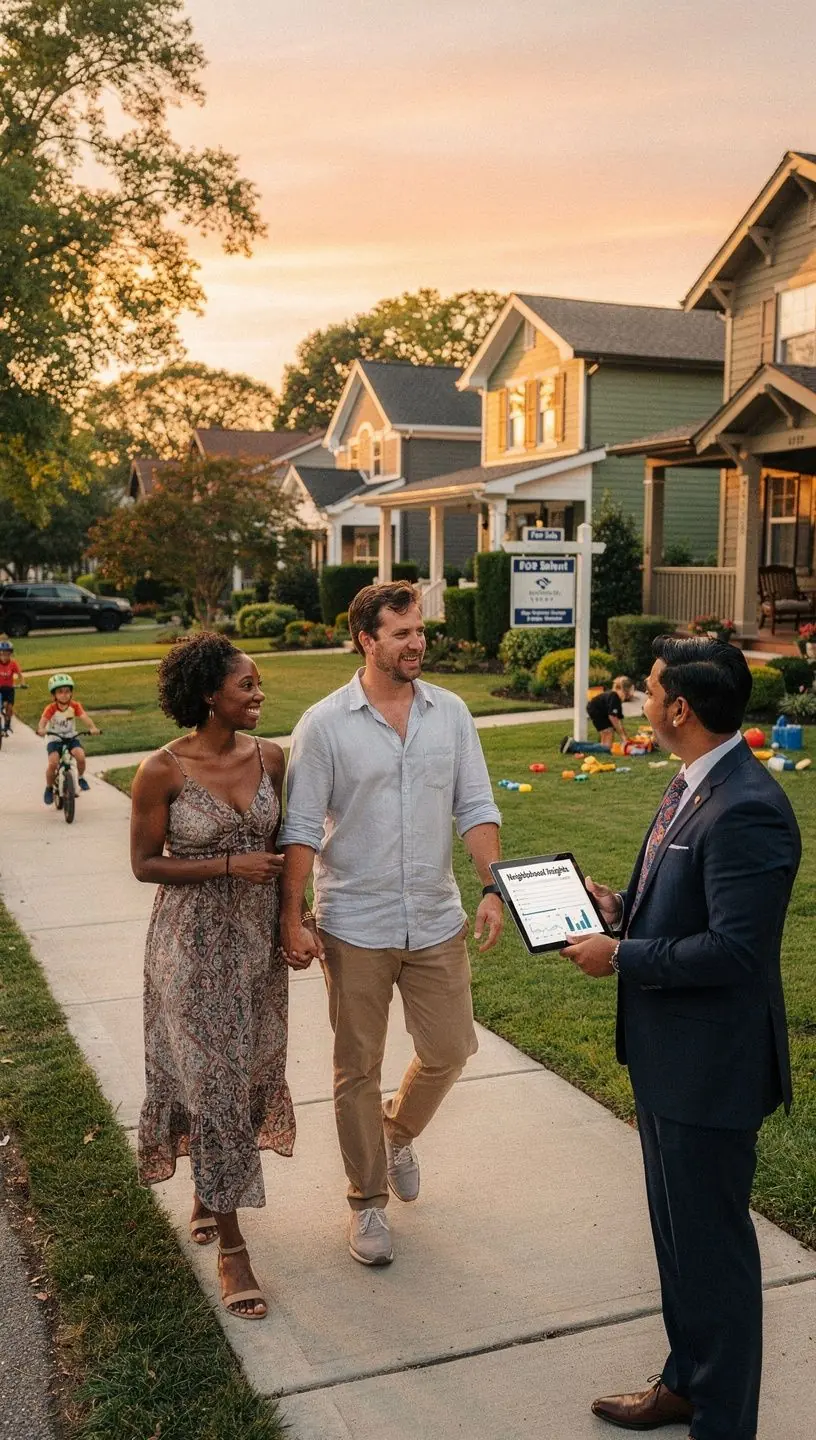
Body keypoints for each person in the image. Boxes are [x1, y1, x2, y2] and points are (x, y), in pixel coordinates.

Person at [560, 637, 801, 1440]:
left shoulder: (750, 807)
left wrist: (620, 955)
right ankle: (685, 1383)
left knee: (714, 1254)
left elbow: (736, 950)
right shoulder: (696, 781)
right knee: (678, 1243)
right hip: (669, 1059)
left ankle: (722, 1423)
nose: (640, 698)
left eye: (651, 689)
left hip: (713, 1071)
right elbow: (683, 902)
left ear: (680, 710)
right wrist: (618, 906)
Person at [279, 582, 503, 1267]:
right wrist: (293, 917)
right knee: (356, 1069)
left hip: (435, 915)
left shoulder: (451, 712)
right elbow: (298, 829)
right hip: (355, 920)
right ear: (366, 641)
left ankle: (396, 1133)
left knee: (450, 1049)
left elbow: (476, 804)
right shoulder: (324, 725)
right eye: (402, 633)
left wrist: (492, 886)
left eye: (420, 631)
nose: (417, 644)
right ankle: (366, 1203)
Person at [131, 634, 295, 1321]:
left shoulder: (273, 758)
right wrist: (227, 866)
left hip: (254, 948)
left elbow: (287, 847)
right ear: (208, 696)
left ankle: (209, 1189)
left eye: (258, 686)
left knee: (247, 1074)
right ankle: (233, 1250)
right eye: (246, 688)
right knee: (213, 1083)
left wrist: (298, 920)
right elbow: (145, 864)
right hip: (189, 950)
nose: (259, 696)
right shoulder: (160, 771)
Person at [36, 673, 100, 804]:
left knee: (80, 756)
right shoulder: (51, 708)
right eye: (60, 692)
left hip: (71, 737)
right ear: (54, 695)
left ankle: (81, 778)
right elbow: (43, 721)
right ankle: (49, 787)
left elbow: (84, 717)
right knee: (53, 763)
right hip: (54, 738)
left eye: (67, 691)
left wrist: (93, 727)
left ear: (71, 693)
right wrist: (41, 729)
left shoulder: (75, 706)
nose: (64, 694)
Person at [560, 675, 634, 755]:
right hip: (597, 711)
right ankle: (573, 746)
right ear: (623, 689)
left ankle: (573, 744)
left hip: (598, 710)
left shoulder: (615, 698)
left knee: (605, 744)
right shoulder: (614, 696)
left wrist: (624, 737)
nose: (630, 695)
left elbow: (618, 721)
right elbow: (613, 717)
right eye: (629, 691)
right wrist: (623, 736)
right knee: (607, 747)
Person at [0, 639, 23, 735]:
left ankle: (7, 724)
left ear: (10, 654)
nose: (5, 656)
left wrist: (22, 683)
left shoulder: (13, 664)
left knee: (9, 707)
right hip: (0, 689)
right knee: (3, 705)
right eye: (2, 654)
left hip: (9, 689)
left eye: (7, 654)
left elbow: (19, 674)